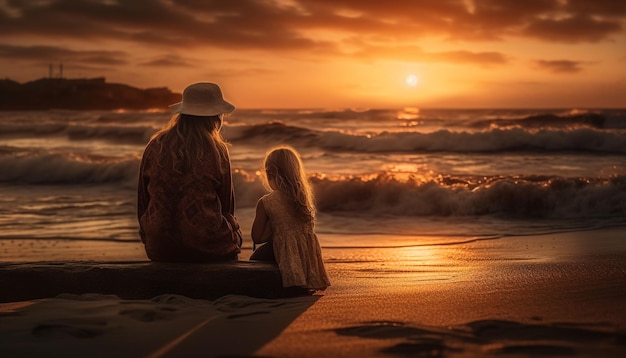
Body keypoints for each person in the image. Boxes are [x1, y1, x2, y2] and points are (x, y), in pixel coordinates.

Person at [137, 82, 242, 262]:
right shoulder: (217, 150)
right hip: (205, 246)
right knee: (234, 228)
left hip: (159, 248)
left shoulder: (155, 146)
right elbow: (227, 207)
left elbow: (143, 203)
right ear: (216, 117)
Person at [250, 146, 330, 291]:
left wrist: (274, 228)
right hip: (305, 254)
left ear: (269, 173)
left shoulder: (266, 202)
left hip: (281, 251)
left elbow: (257, 237)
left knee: (255, 258)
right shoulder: (302, 198)